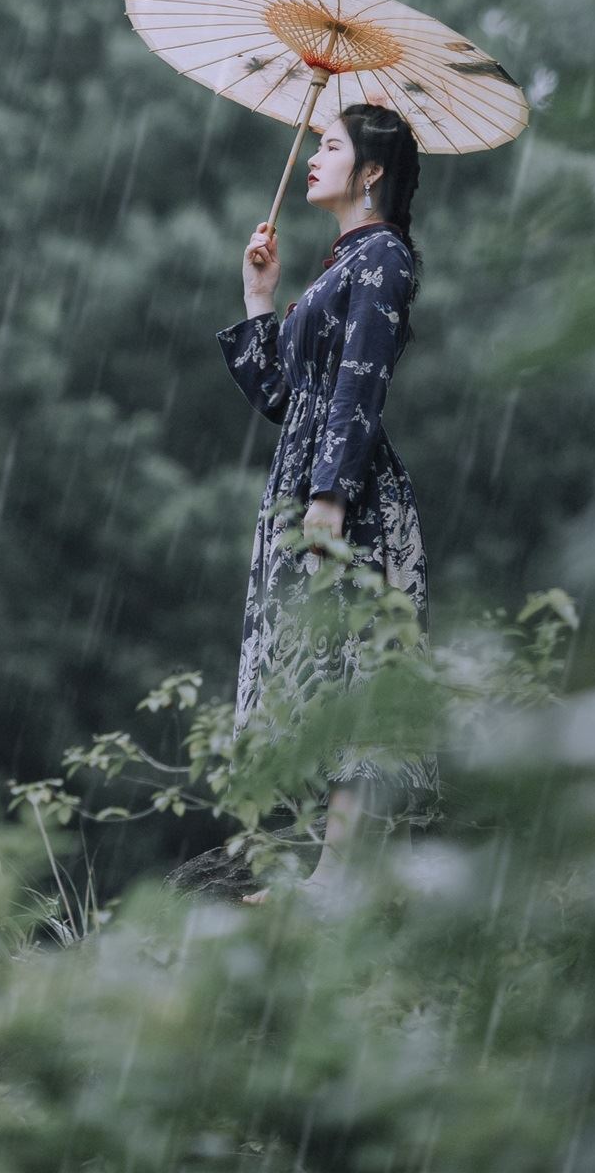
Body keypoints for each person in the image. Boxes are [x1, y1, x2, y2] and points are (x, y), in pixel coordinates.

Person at [217, 99, 434, 892]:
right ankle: (331, 862)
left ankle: (341, 868)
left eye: (330, 145)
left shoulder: (382, 260)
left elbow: (358, 383)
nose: (313, 157)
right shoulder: (344, 263)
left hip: (349, 493)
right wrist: (259, 298)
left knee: (356, 665)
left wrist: (331, 494)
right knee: (321, 661)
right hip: (309, 479)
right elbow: (283, 397)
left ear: (370, 170)